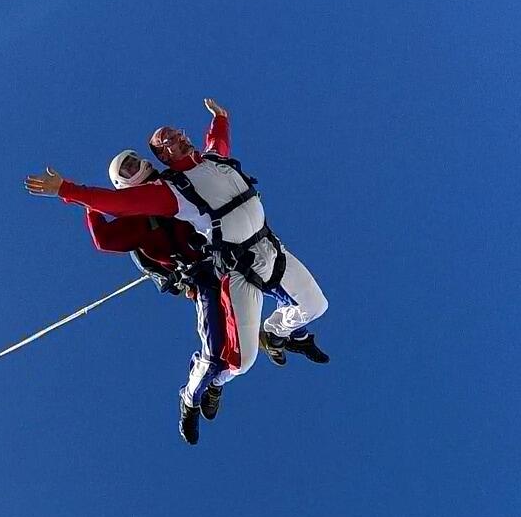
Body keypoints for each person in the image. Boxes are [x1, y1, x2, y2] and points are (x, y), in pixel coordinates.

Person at [26, 99, 328, 386]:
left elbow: (218, 144)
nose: (178, 138)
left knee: (315, 305)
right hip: (225, 269)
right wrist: (71, 192)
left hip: (266, 248)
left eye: (177, 133)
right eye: (168, 140)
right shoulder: (166, 193)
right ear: (162, 156)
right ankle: (206, 384)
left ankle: (276, 334)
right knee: (234, 357)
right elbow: (114, 210)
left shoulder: (211, 162)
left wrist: (220, 119)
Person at [81, 150, 237, 445]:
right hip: (201, 276)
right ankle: (190, 399)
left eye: (134, 161)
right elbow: (104, 238)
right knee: (215, 350)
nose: (136, 167)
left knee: (239, 350)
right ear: (122, 184)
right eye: (128, 169)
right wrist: (91, 203)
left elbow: (209, 176)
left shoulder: (174, 183)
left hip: (228, 262)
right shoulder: (137, 218)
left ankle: (218, 382)